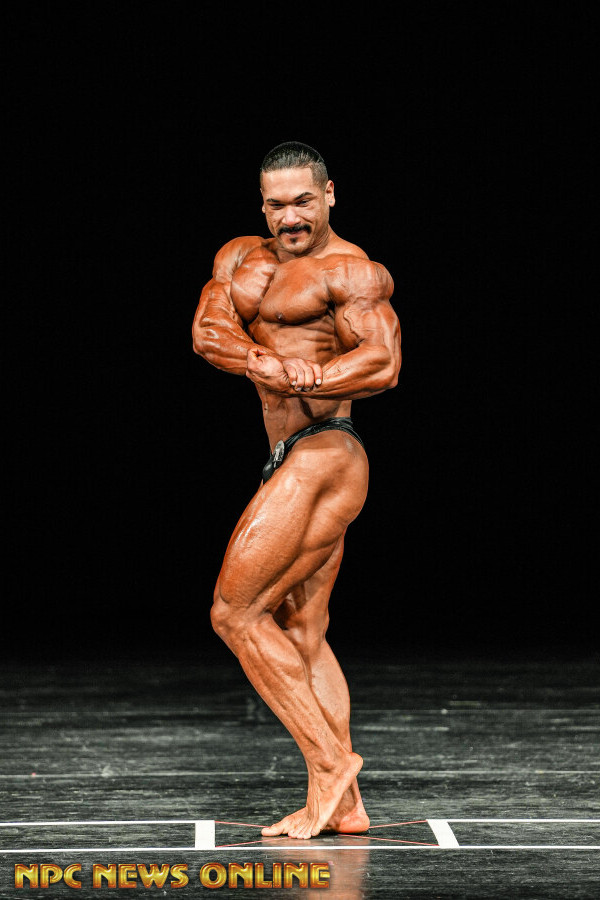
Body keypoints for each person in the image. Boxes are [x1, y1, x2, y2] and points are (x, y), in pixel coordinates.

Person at [192, 142, 401, 840]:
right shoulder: (239, 259)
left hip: (327, 453)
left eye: (303, 202)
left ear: (329, 194)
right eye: (277, 204)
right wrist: (261, 359)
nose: (290, 217)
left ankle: (330, 764)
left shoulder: (352, 271)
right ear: (262, 205)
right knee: (305, 635)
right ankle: (347, 806)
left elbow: (383, 362)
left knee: (235, 613)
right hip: (286, 458)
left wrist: (318, 377)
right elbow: (208, 331)